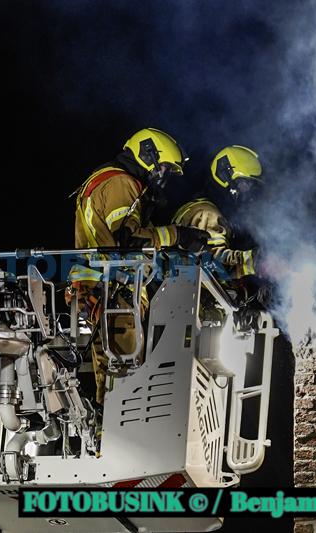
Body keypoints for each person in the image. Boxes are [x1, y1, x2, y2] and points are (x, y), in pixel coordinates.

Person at [69, 128, 207, 405]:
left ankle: (104, 439)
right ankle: (112, 439)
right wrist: (177, 235)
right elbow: (127, 240)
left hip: (102, 287)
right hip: (113, 290)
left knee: (113, 373)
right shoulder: (121, 183)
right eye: (165, 169)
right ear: (148, 156)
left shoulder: (106, 179)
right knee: (124, 374)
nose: (164, 179)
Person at [172, 145, 263, 281]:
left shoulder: (214, 213)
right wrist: (256, 261)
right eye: (245, 183)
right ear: (225, 176)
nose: (248, 191)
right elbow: (213, 266)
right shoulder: (206, 213)